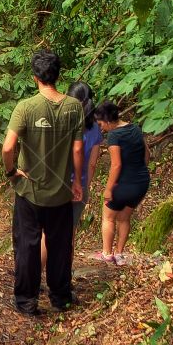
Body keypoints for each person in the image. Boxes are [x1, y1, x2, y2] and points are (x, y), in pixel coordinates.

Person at [2, 50, 85, 315]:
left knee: (27, 244)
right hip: (60, 191)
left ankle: (27, 302)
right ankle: (61, 297)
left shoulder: (25, 108)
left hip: (30, 192)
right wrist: (76, 182)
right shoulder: (74, 107)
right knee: (60, 246)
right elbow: (77, 150)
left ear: (34, 77)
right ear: (57, 76)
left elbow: (7, 148)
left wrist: (11, 172)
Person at [41, 82, 101, 277]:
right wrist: (85, 186)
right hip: (79, 188)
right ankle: (63, 279)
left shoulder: (61, 123)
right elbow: (92, 164)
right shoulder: (95, 130)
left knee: (47, 233)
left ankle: (36, 278)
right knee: (69, 235)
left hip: (58, 184)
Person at [94, 100, 150, 265]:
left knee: (108, 217)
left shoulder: (114, 135)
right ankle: (119, 254)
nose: (101, 128)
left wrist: (108, 189)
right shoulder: (135, 128)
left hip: (123, 184)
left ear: (108, 120)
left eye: (101, 124)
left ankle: (106, 253)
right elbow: (146, 154)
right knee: (124, 218)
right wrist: (139, 171)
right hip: (141, 182)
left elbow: (116, 165)